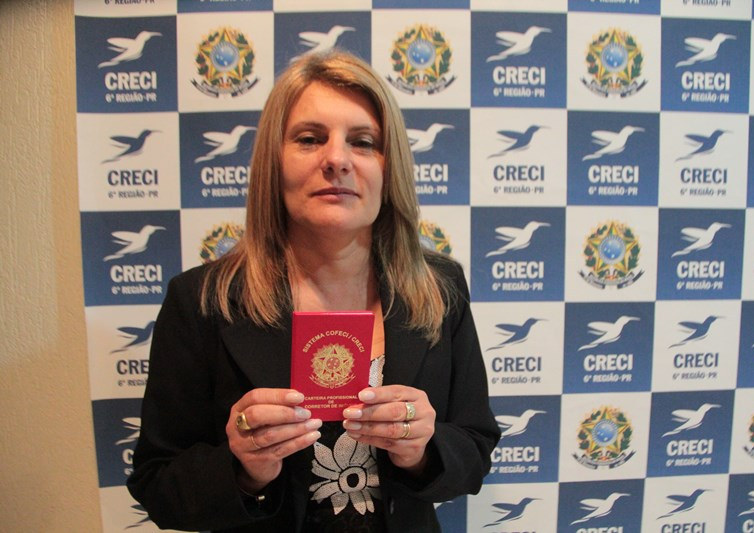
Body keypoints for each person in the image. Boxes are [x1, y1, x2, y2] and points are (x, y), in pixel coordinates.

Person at [127, 49, 499, 532]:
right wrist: (245, 469)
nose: (337, 159)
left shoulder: (439, 288)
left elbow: (475, 450)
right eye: (309, 139)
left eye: (363, 142)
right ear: (274, 162)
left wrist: (422, 451)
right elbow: (157, 485)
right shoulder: (202, 300)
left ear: (389, 168)